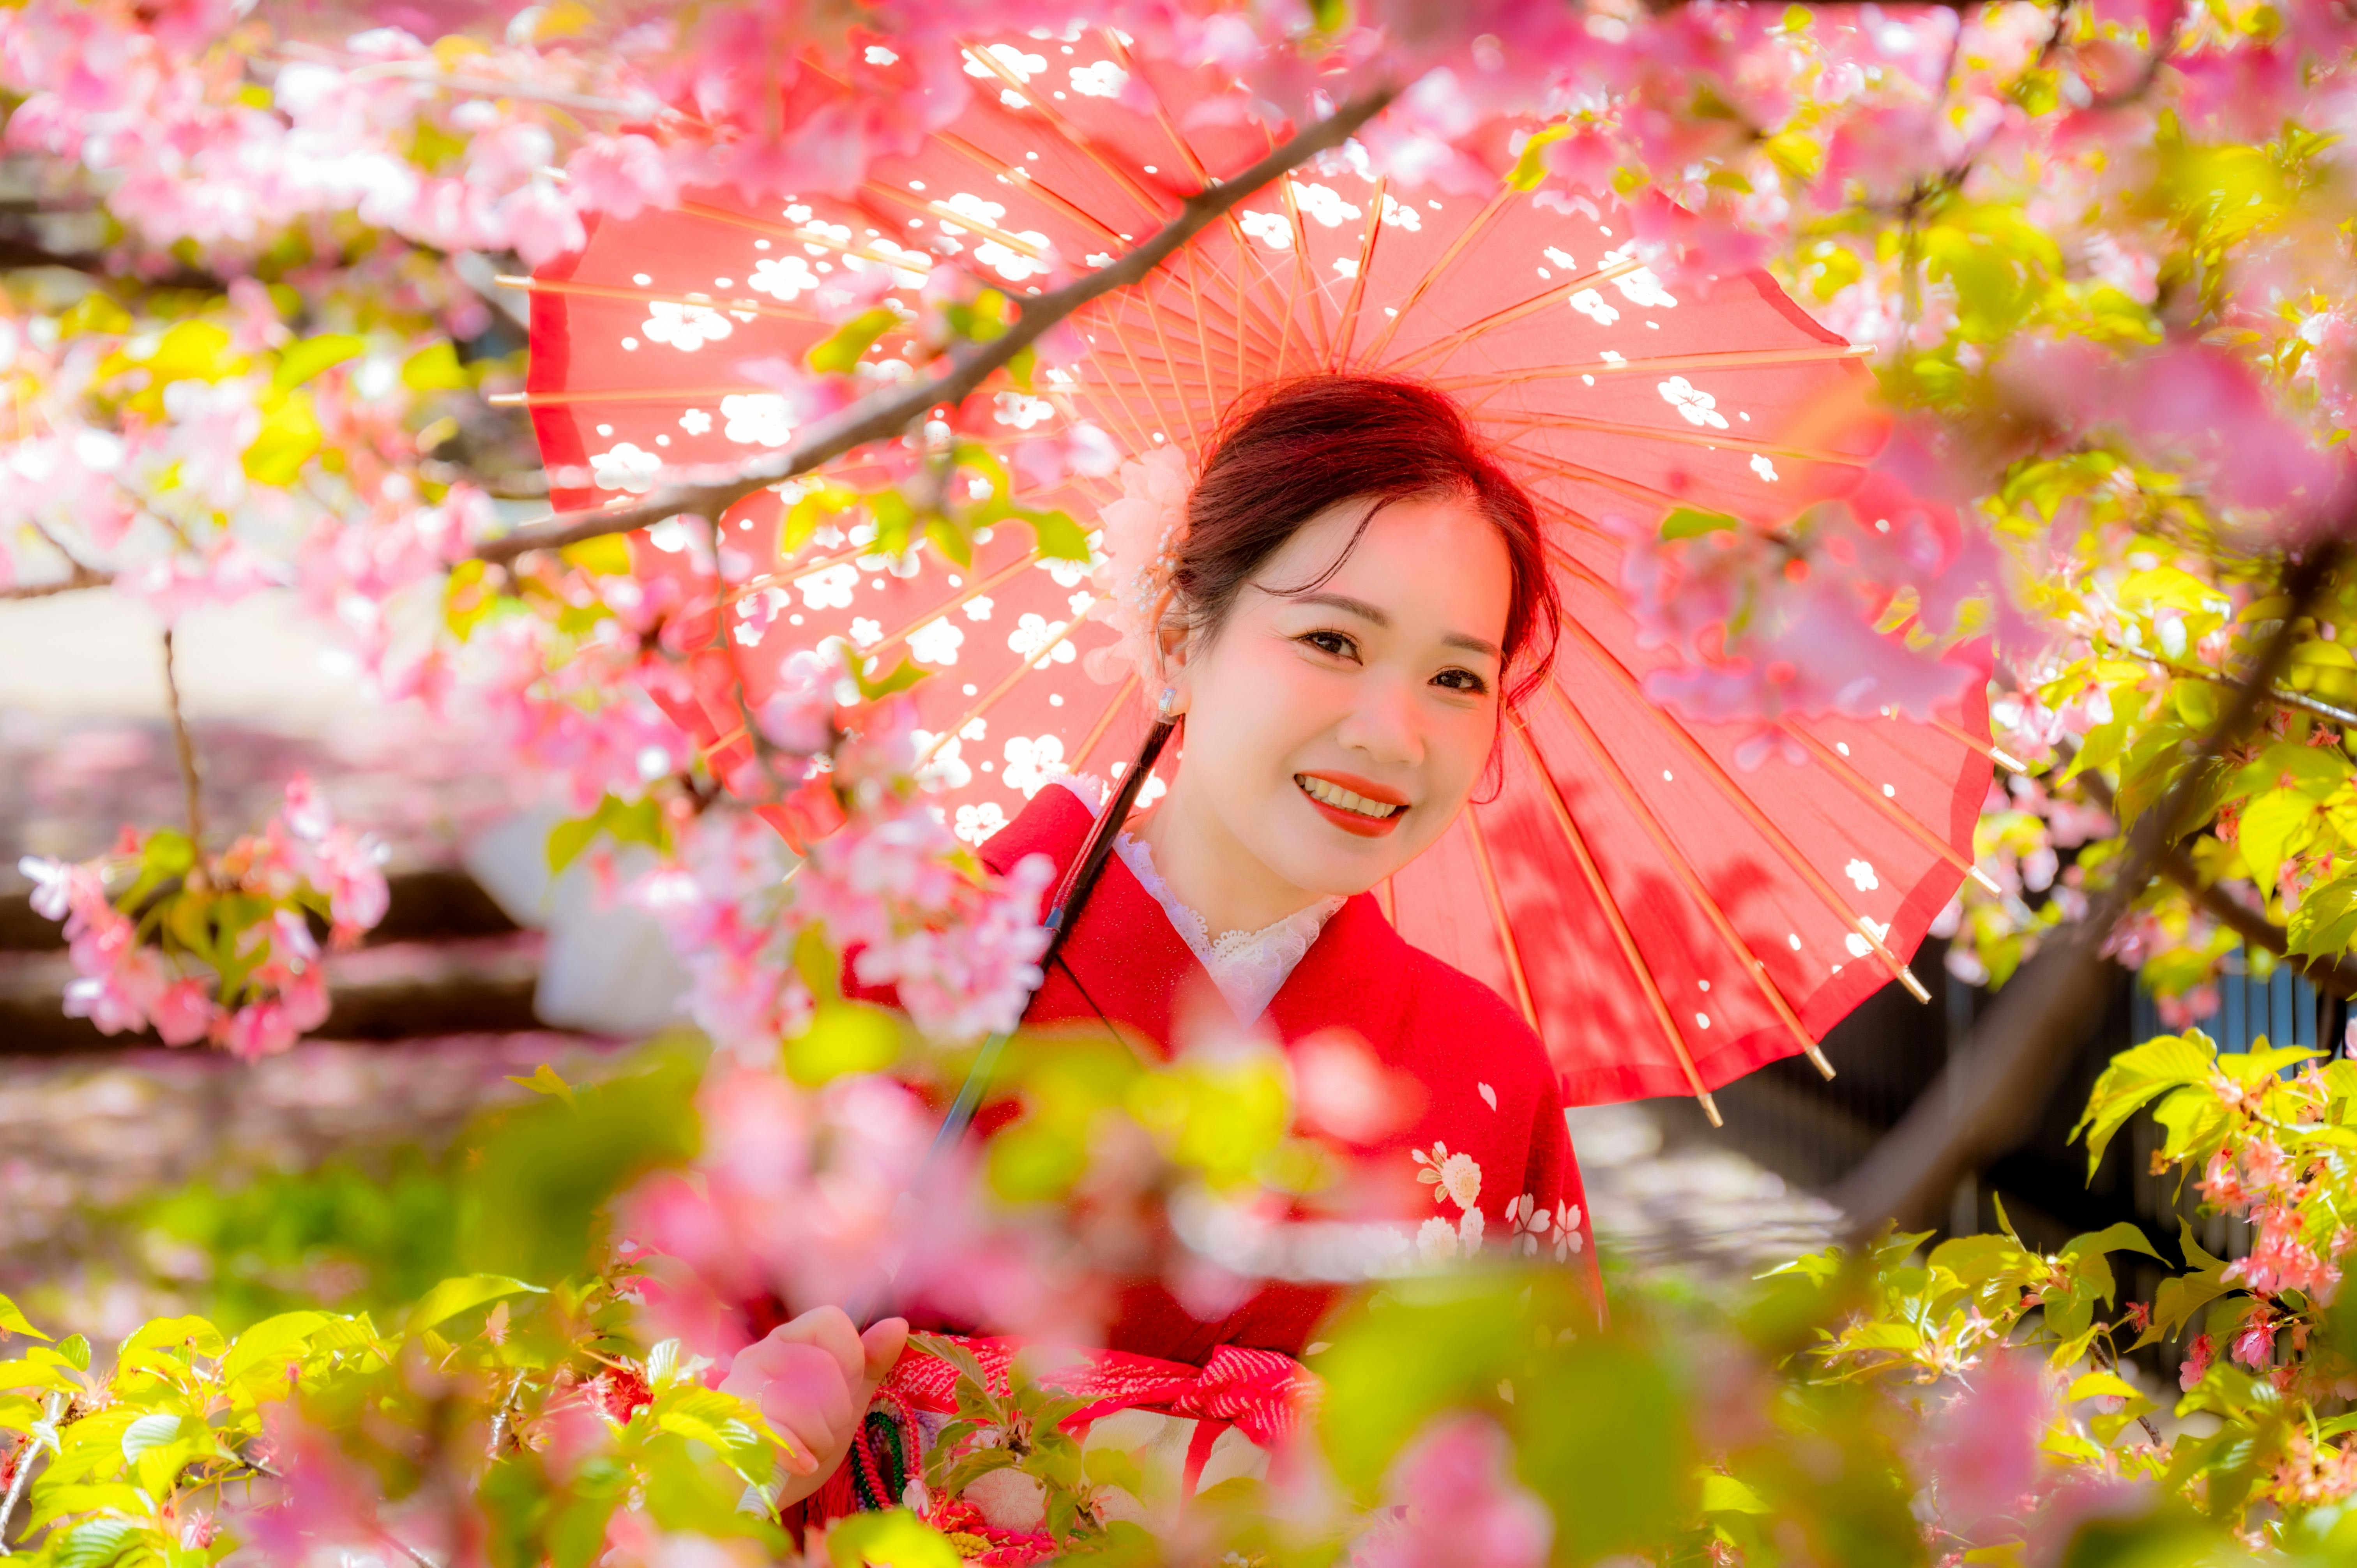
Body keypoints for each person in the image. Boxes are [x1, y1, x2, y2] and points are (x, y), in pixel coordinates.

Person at [729, 374, 1602, 1539]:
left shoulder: (1487, 1071)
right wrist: (733, 1438)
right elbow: (631, 1355)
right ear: (1181, 634)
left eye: (1456, 677)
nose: (1393, 735)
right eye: (1333, 640)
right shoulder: (898, 951)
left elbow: (1558, 1488)